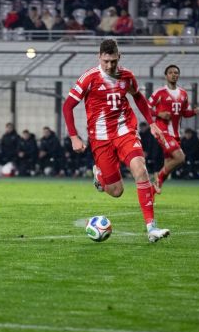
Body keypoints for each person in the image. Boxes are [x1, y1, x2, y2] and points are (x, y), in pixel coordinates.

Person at [62, 38, 169, 242]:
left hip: (125, 131)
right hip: (100, 138)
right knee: (116, 191)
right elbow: (67, 106)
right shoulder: (89, 78)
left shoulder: (127, 76)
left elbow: (138, 97)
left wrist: (152, 123)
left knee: (140, 169)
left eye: (113, 61)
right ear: (99, 58)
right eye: (106, 61)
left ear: (119, 57)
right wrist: (74, 137)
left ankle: (151, 228)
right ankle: (99, 174)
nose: (110, 66)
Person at [148, 64, 199, 193]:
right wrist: (159, 114)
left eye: (176, 73)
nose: (173, 75)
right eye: (170, 72)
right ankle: (157, 179)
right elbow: (146, 108)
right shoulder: (159, 92)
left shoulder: (183, 94)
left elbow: (184, 113)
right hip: (162, 132)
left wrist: (193, 112)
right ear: (166, 76)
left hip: (175, 134)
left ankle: (152, 192)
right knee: (180, 158)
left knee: (168, 165)